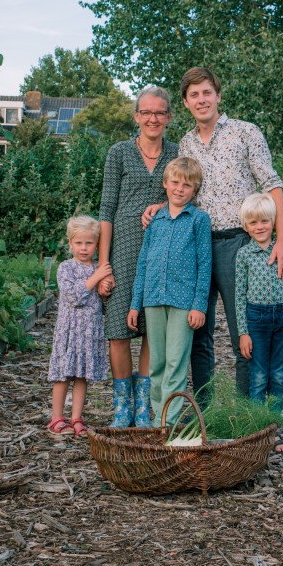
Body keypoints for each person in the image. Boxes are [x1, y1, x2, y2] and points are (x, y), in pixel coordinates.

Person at [142, 66, 283, 398]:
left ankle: (246, 415)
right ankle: (206, 412)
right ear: (185, 102)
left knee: (245, 334)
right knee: (197, 333)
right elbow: (182, 188)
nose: (201, 99)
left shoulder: (245, 132)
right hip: (195, 246)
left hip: (238, 243)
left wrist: (281, 239)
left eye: (207, 92)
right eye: (194, 94)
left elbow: (273, 185)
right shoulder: (185, 143)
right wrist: (159, 207)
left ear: (218, 95)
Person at [98, 87, 178, 427]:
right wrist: (103, 266)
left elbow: (188, 193)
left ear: (169, 117)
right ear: (136, 116)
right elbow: (106, 209)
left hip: (162, 252)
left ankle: (144, 405)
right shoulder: (119, 153)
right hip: (122, 252)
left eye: (159, 113)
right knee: (118, 329)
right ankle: (122, 405)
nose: (153, 118)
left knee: (150, 328)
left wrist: (162, 205)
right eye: (146, 112)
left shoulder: (176, 153)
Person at [128, 157, 212, 426]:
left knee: (176, 363)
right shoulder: (154, 220)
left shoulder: (198, 219)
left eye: (187, 185)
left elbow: (205, 263)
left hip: (183, 302)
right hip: (153, 299)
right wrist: (135, 302)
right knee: (157, 364)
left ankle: (167, 423)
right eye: (175, 182)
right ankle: (158, 415)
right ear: (165, 184)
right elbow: (143, 262)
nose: (179, 189)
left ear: (194, 189)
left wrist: (199, 305)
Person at [235, 193, 283, 443]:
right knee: (259, 376)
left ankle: (274, 431)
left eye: (264, 221)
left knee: (277, 375)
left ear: (274, 222)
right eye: (253, 223)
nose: (259, 227)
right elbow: (239, 296)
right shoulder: (244, 255)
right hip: (256, 320)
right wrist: (243, 332)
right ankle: (257, 432)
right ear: (246, 226)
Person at [47, 216, 111, 438]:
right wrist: (97, 278)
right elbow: (75, 296)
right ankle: (56, 417)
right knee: (63, 375)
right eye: (79, 243)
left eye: (89, 243)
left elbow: (100, 303)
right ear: (70, 243)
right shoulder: (67, 268)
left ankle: (76, 417)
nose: (84, 248)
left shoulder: (98, 268)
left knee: (82, 375)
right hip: (69, 331)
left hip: (89, 332)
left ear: (97, 244)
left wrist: (106, 289)